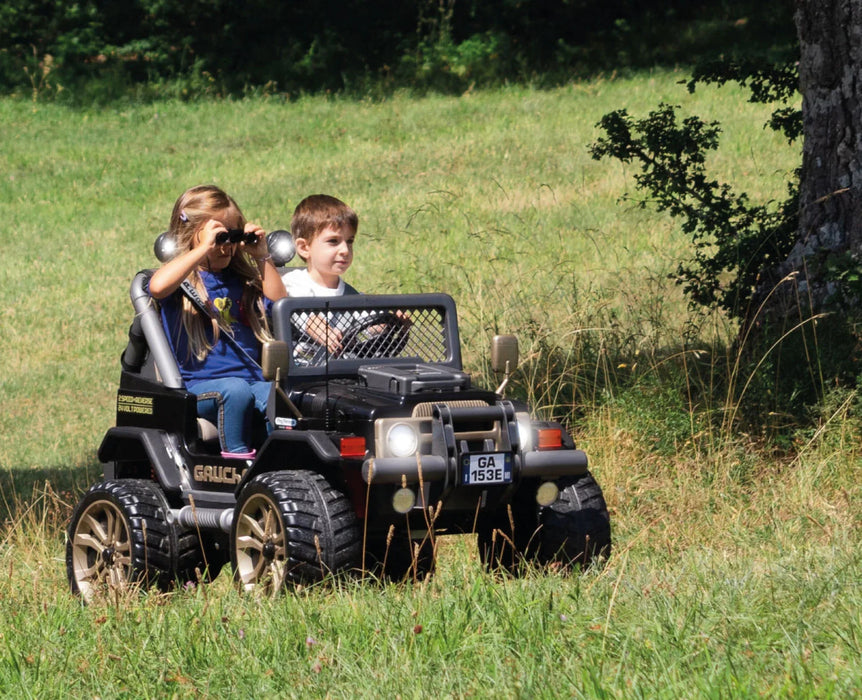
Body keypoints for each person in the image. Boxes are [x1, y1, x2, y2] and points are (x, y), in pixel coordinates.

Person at [148, 185, 287, 458]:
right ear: (192, 236)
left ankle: (279, 462)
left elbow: (282, 304)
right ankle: (237, 465)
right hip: (201, 389)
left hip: (253, 380)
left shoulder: (244, 281)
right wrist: (201, 250)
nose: (227, 247)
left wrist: (261, 255)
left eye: (232, 237)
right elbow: (156, 286)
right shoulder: (183, 284)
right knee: (234, 391)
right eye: (219, 238)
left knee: (280, 397)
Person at [281, 194, 361, 357]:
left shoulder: (353, 296)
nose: (345, 250)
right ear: (304, 247)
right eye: (333, 241)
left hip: (344, 373)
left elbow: (373, 323)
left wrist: (391, 320)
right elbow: (301, 312)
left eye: (349, 241)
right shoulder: (293, 283)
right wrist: (315, 325)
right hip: (302, 373)